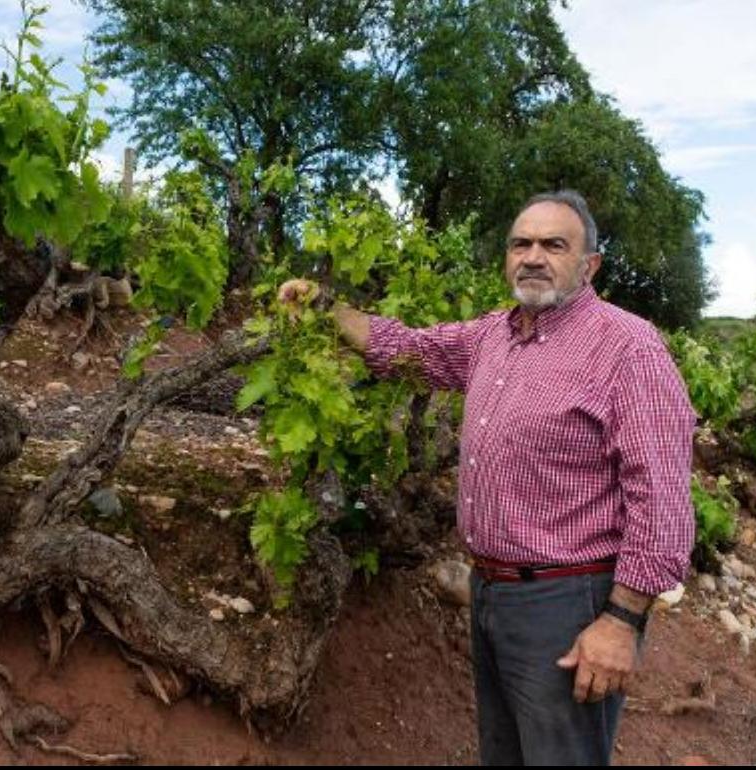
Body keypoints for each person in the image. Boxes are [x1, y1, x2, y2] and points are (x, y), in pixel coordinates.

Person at [277, 190, 696, 766]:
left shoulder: (628, 349)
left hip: (570, 605)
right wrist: (326, 307)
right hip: (492, 593)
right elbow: (411, 350)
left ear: (589, 264)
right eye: (521, 243)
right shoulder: (492, 337)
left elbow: (663, 500)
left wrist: (621, 622)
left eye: (554, 244)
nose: (533, 256)